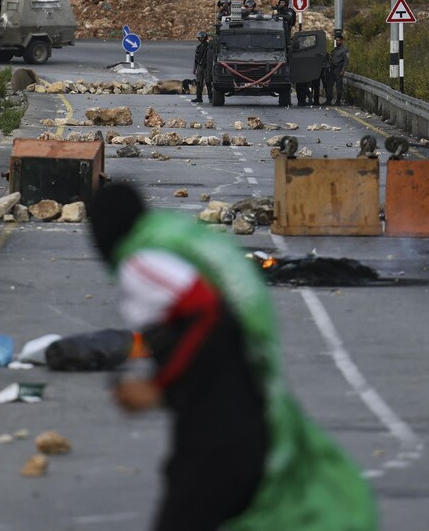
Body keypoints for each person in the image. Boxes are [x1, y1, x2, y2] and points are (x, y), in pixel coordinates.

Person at [88, 183, 377, 531]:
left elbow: (207, 315)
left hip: (217, 436)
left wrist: (158, 387)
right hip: (246, 415)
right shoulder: (180, 241)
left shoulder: (140, 260)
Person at [323, 34, 349, 106]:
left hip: (338, 69)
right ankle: (328, 100)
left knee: (338, 86)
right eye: (336, 40)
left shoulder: (344, 50)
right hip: (332, 69)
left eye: (338, 40)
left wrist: (343, 70)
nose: (337, 42)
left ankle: (338, 101)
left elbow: (346, 61)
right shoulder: (335, 49)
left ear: (341, 40)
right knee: (329, 85)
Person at [193, 31, 210, 104]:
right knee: (199, 82)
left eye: (202, 38)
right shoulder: (198, 47)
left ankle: (211, 97)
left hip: (206, 66)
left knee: (208, 82)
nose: (201, 39)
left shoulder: (209, 47)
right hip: (199, 66)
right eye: (199, 38)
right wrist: (194, 68)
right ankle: (199, 97)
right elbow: (196, 59)